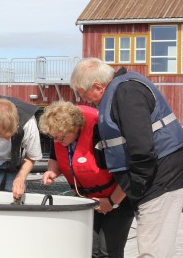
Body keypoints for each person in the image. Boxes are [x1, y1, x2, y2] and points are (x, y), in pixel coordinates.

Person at [70, 58, 183, 258]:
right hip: (154, 181)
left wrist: (135, 187)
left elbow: (142, 149)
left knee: (153, 252)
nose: (84, 100)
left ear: (98, 86)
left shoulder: (126, 93)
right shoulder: (119, 92)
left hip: (161, 181)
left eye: (83, 93)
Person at [38, 101, 134, 258]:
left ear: (75, 128)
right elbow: (56, 158)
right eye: (53, 137)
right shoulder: (59, 135)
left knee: (108, 252)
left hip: (119, 200)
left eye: (60, 137)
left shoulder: (100, 133)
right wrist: (52, 172)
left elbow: (128, 172)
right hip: (89, 201)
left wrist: (111, 202)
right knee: (90, 250)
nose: (56, 141)